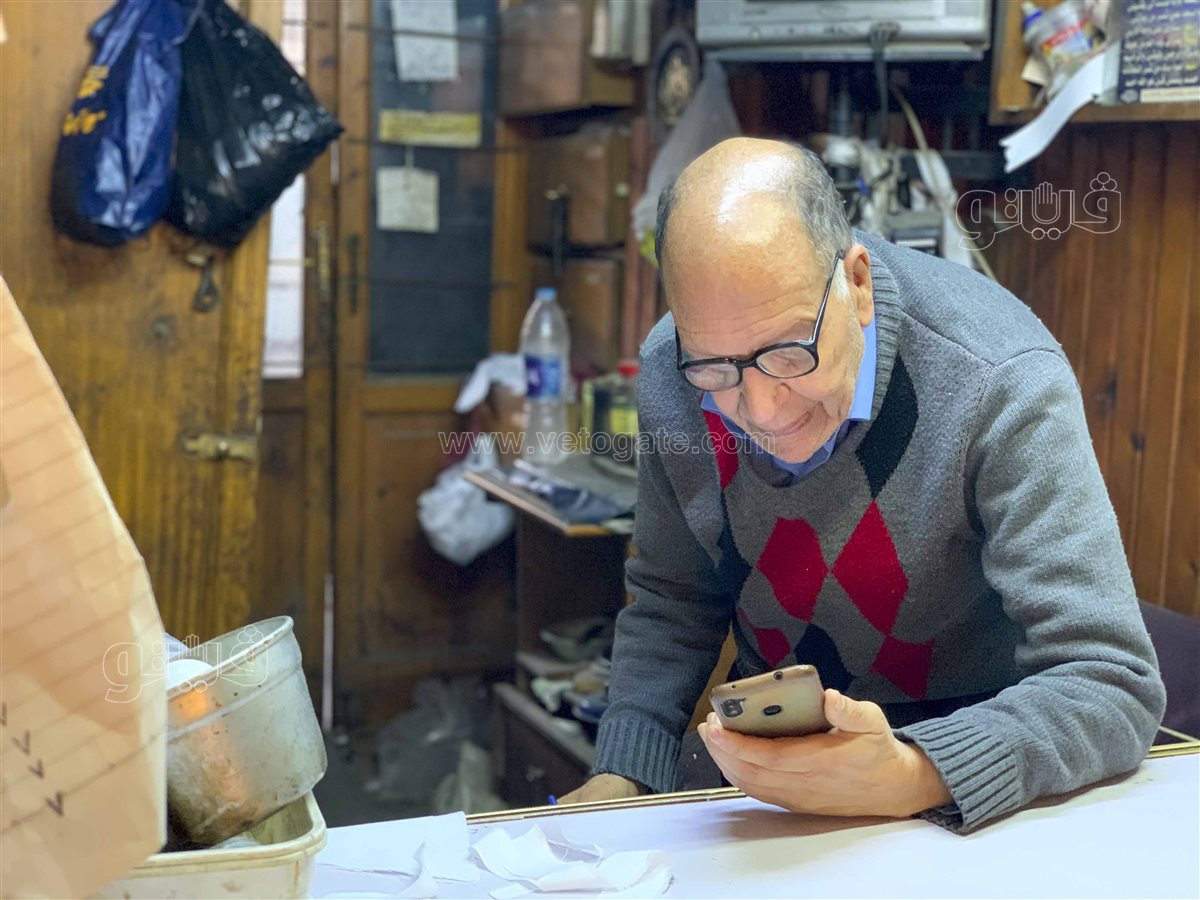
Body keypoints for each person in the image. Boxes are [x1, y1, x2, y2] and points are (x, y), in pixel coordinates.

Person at [559, 138, 1165, 832]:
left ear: (858, 284)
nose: (762, 411)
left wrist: (913, 772)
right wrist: (623, 775)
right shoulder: (674, 372)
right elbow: (675, 596)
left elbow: (1110, 680)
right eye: (717, 370)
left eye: (790, 353)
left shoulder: (999, 378)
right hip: (778, 773)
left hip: (981, 788)